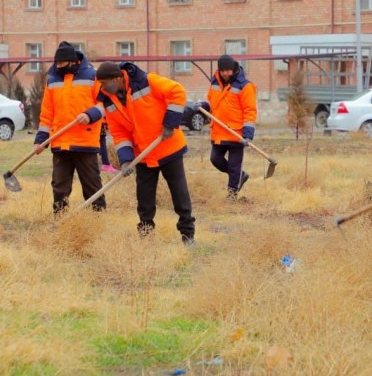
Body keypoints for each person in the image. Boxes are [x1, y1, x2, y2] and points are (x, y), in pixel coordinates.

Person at [95, 61, 196, 246]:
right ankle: (146, 235)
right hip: (142, 153)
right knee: (144, 197)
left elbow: (177, 91)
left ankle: (187, 235)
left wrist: (170, 122)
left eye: (103, 83)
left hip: (168, 147)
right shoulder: (109, 101)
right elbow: (119, 133)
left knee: (179, 193)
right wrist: (126, 160)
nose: (101, 87)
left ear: (117, 78)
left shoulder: (146, 81)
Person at [34, 41, 106, 216]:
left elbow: (105, 104)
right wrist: (41, 139)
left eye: (61, 63)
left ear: (72, 61)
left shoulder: (92, 76)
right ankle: (60, 221)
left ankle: (98, 220)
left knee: (92, 186)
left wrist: (90, 115)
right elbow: (47, 113)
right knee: (59, 188)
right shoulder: (52, 80)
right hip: (60, 143)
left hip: (85, 142)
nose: (57, 66)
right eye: (56, 63)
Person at [194, 54, 257, 201]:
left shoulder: (245, 85)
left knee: (235, 165)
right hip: (219, 131)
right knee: (215, 159)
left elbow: (250, 110)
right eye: (222, 71)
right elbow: (211, 102)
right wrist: (203, 106)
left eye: (228, 71)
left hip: (236, 134)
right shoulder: (215, 82)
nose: (225, 74)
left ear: (234, 69)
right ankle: (240, 176)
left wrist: (248, 134)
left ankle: (232, 194)